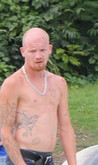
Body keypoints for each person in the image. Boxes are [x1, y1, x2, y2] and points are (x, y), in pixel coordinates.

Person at [0, 28, 77, 165]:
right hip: (22, 158)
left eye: (42, 50)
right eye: (32, 51)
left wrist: (73, 163)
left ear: (50, 49)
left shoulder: (59, 83)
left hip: (47, 159)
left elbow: (66, 128)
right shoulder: (13, 84)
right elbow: (5, 132)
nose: (38, 56)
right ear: (23, 52)